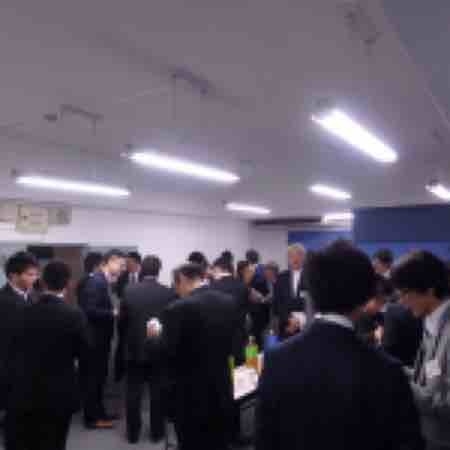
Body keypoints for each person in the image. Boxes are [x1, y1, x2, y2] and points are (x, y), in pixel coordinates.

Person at [256, 240, 424, 450]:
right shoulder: (387, 371)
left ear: (313, 292)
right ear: (365, 295)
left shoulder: (275, 360)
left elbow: (265, 439)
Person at [150, 263, 237, 450]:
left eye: (176, 285)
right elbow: (236, 345)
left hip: (188, 395)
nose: (176, 291)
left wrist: (154, 337)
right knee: (219, 442)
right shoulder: (229, 302)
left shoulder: (177, 308)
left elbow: (166, 353)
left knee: (191, 443)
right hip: (221, 387)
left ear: (182, 279)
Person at [4, 261, 90, 450]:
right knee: (55, 441)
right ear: (68, 283)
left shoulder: (23, 311)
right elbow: (85, 354)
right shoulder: (74, 315)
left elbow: (11, 350)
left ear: (42, 281)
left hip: (25, 390)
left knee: (27, 441)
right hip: (59, 392)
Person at [392, 251, 450, 450]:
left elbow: (446, 405)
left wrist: (403, 384)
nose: (401, 301)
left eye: (405, 292)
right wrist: (393, 370)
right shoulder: (432, 323)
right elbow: (433, 376)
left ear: (430, 289)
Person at [119, 255, 175, 443]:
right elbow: (171, 323)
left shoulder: (129, 290)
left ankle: (133, 434)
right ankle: (157, 433)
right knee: (157, 393)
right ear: (159, 270)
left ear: (142, 269)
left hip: (134, 349)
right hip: (158, 350)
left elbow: (122, 322)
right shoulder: (168, 293)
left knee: (133, 393)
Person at [78, 249, 125, 429]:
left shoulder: (101, 280)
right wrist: (113, 313)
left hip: (98, 340)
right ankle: (92, 419)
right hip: (93, 341)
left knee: (98, 380)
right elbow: (88, 310)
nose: (122, 269)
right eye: (120, 264)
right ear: (110, 261)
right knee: (93, 380)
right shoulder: (96, 282)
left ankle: (100, 413)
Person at [0, 252, 39, 412]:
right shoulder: (3, 301)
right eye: (30, 274)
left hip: (31, 368)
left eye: (36, 274)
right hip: (10, 369)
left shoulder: (34, 297)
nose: (35, 278)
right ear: (13, 276)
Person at [211, 255, 249, 365]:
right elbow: (245, 309)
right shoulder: (242, 285)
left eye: (214, 270)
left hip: (219, 338)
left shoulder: (212, 287)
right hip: (239, 336)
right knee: (239, 369)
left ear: (218, 269)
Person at [273, 243, 311, 339]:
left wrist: (300, 321)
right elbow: (277, 303)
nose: (295, 258)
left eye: (298, 255)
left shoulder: (311, 276)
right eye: (291, 256)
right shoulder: (281, 277)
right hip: (286, 327)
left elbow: (314, 303)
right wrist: (289, 319)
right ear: (288, 259)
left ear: (304, 258)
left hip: (306, 327)